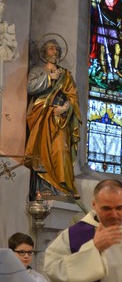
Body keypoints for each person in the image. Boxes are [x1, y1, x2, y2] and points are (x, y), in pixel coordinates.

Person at [25, 38, 81, 198]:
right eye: (51, 49)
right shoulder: (38, 71)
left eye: (57, 49)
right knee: (42, 152)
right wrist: (50, 78)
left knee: (61, 149)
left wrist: (65, 108)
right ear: (44, 52)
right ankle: (43, 189)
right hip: (42, 118)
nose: (55, 52)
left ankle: (61, 188)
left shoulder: (66, 75)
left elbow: (73, 97)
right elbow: (30, 87)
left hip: (61, 120)